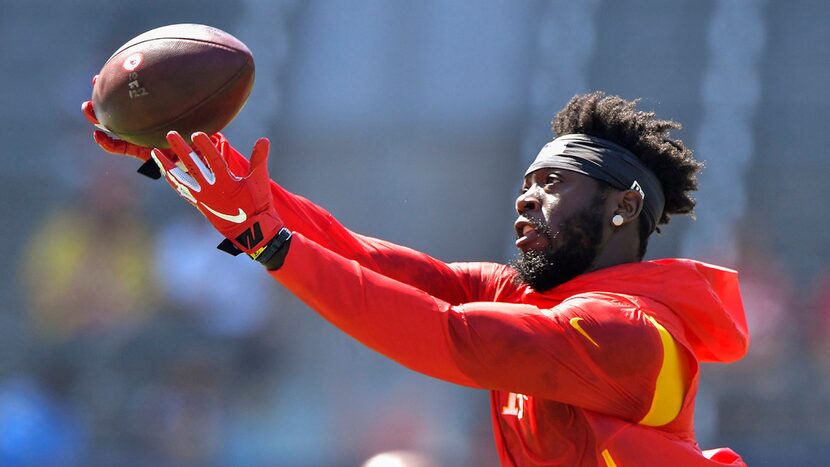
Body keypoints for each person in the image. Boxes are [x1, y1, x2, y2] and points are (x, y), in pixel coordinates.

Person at [82, 91, 749, 466]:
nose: (524, 198)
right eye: (524, 183)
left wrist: (264, 241)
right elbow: (357, 256)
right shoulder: (523, 295)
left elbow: (443, 336)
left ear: (622, 206)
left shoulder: (629, 332)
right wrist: (183, 155)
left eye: (552, 183)